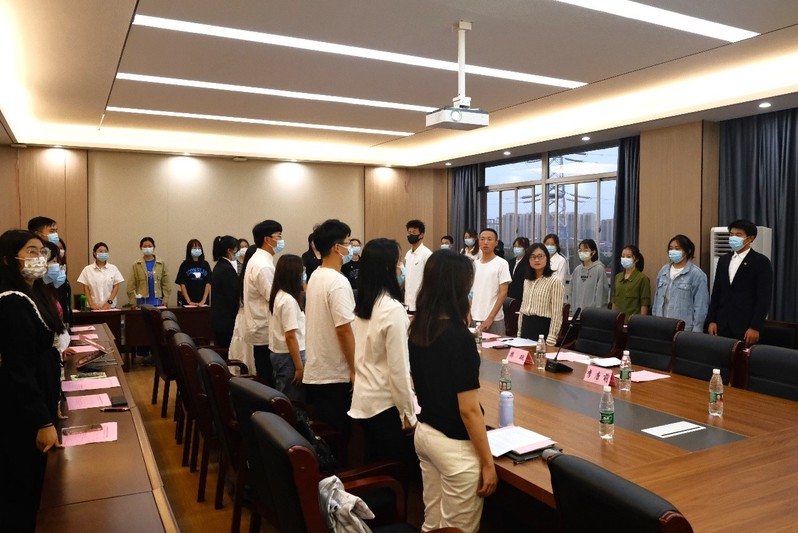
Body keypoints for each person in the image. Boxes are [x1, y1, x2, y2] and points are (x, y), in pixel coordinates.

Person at [409, 249, 497, 533]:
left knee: (433, 523)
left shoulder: (419, 326)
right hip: (454, 447)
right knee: (457, 529)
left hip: (426, 434)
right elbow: (469, 410)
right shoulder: (458, 338)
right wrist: (488, 464)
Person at [0, 229, 64, 531]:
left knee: (38, 482)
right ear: (7, 259)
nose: (39, 258)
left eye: (42, 252)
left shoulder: (32, 293)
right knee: (21, 487)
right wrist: (44, 422)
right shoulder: (12, 301)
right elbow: (19, 370)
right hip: (22, 413)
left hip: (41, 399)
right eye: (31, 251)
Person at [349, 238, 417, 466]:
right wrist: (407, 413)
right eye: (398, 262)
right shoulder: (392, 309)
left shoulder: (365, 304)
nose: (401, 267)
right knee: (397, 469)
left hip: (365, 399)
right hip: (385, 406)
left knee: (376, 461)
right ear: (388, 268)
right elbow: (399, 369)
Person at [303, 219, 356, 438]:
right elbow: (344, 330)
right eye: (347, 243)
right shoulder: (337, 281)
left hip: (318, 370)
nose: (350, 248)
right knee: (339, 437)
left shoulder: (316, 275)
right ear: (337, 247)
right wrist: (354, 370)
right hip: (335, 375)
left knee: (326, 435)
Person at [707, 220, 773, 346]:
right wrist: (712, 320)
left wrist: (755, 326)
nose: (733, 238)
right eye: (731, 235)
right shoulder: (723, 260)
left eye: (738, 235)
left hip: (746, 326)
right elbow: (716, 293)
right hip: (722, 324)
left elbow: (764, 298)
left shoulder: (761, 262)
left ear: (750, 238)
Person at [241, 220, 283, 382]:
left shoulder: (259, 259)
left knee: (264, 373)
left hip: (260, 327)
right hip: (264, 329)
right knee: (267, 377)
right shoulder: (263, 265)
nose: (281, 240)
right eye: (278, 236)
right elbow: (275, 298)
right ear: (267, 239)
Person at [268, 254, 307, 403]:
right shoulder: (288, 300)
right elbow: (290, 336)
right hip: (290, 357)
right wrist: (299, 367)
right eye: (301, 271)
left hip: (283, 355)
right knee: (292, 400)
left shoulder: (280, 295)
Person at [651, 235, 709, 332]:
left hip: (684, 329)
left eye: (677, 249)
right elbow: (657, 300)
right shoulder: (664, 271)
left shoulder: (697, 274)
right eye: (671, 248)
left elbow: (701, 307)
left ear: (688, 251)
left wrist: (696, 332)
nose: (673, 251)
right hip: (661, 326)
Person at [28, 217, 72, 325]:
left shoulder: (53, 250)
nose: (55, 234)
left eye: (56, 231)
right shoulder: (33, 261)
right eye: (52, 231)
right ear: (37, 234)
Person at [518, 243, 565, 345]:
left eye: (540, 256)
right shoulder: (527, 280)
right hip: (526, 326)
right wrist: (519, 333)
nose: (536, 260)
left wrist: (552, 338)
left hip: (542, 328)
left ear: (547, 258)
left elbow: (557, 313)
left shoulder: (554, 281)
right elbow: (523, 308)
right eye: (533, 257)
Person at [470, 229, 512, 335]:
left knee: (496, 345)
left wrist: (490, 318)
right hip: (474, 317)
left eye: (489, 239)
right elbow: (470, 292)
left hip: (494, 319)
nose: (485, 242)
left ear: (496, 243)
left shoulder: (501, 263)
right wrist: (468, 314)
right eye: (482, 239)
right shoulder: (474, 264)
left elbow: (503, 293)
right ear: (478, 242)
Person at [210, 235, 240, 348]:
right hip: (226, 323)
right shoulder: (227, 269)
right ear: (229, 251)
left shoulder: (220, 266)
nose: (237, 252)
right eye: (236, 249)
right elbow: (232, 297)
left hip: (220, 321)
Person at [77, 242, 124, 310]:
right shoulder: (87, 269)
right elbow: (85, 288)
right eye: (100, 251)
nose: (103, 253)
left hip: (110, 307)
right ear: (94, 253)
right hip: (92, 308)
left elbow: (116, 286)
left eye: (105, 251)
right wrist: (91, 304)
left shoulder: (113, 268)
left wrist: (109, 302)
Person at [127, 237, 171, 308]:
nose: (147, 248)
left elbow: (166, 283)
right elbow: (131, 285)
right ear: (140, 248)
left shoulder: (161, 263)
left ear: (154, 247)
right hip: (141, 302)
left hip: (158, 302)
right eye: (145, 246)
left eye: (150, 246)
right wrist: (132, 301)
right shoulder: (136, 264)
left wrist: (166, 299)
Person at [612, 245, 651, 323]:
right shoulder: (618, 277)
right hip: (617, 321)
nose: (625, 259)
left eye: (628, 256)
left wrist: (640, 323)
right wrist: (612, 319)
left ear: (636, 259)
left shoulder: (642, 278)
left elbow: (644, 304)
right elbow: (614, 301)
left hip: (632, 322)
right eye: (623, 256)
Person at [569, 238, 608, 310]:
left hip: (592, 313)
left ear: (593, 252)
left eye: (586, 250)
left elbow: (601, 295)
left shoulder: (599, 269)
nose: (582, 253)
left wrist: (597, 312)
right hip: (576, 312)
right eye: (580, 250)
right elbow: (571, 292)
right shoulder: (577, 270)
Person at [404, 219, 433, 313]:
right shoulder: (408, 254)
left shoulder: (427, 254)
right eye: (409, 233)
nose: (410, 235)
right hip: (407, 303)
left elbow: (430, 280)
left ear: (421, 235)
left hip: (421, 304)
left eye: (413, 233)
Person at [175, 239, 211, 306]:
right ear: (189, 250)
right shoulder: (184, 265)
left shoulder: (205, 264)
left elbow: (208, 283)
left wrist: (203, 300)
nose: (197, 250)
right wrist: (189, 301)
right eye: (194, 248)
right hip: (188, 302)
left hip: (203, 302)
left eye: (199, 248)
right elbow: (182, 284)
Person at [507, 237, 530, 301]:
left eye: (519, 246)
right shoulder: (511, 262)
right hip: (510, 296)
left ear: (526, 248)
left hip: (522, 295)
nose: (516, 248)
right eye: (515, 246)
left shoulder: (528, 262)